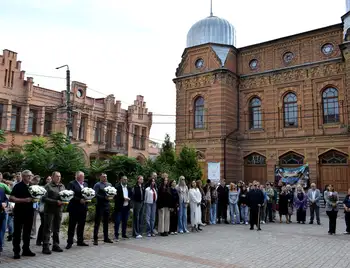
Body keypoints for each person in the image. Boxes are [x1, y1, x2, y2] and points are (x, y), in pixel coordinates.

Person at [9, 170, 35, 259]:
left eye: (31, 176)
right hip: (19, 212)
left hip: (30, 212)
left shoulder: (32, 187)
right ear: (23, 177)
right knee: (17, 233)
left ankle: (26, 250)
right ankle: (16, 251)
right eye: (28, 176)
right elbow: (11, 198)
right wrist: (23, 200)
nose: (30, 177)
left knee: (27, 233)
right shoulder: (18, 186)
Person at [42, 171, 65, 254]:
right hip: (49, 210)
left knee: (57, 228)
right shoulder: (48, 186)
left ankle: (56, 245)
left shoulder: (62, 186)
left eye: (59, 176)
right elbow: (44, 198)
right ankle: (45, 246)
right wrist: (56, 202)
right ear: (52, 177)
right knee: (47, 228)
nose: (58, 178)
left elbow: (65, 196)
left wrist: (66, 200)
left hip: (59, 210)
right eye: (57, 176)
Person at [66, 171, 89, 249]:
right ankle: (69, 242)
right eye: (81, 176)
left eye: (83, 176)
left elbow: (88, 193)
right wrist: (79, 200)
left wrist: (89, 198)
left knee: (81, 225)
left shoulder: (85, 184)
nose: (83, 177)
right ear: (77, 177)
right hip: (74, 208)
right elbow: (70, 195)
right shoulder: (72, 184)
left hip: (83, 208)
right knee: (72, 225)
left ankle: (80, 241)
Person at [93, 173, 113, 245]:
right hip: (100, 205)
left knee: (106, 222)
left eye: (106, 176)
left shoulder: (109, 184)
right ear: (100, 177)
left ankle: (106, 238)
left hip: (107, 205)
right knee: (97, 222)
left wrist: (112, 196)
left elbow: (112, 192)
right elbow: (95, 194)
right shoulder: (97, 185)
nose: (105, 178)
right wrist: (103, 197)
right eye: (104, 177)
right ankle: (95, 239)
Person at [114, 176, 132, 241]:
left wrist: (129, 198)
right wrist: (123, 198)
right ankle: (116, 235)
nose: (125, 181)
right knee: (117, 221)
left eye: (126, 180)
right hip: (119, 207)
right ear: (121, 180)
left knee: (125, 221)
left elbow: (131, 195)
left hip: (126, 207)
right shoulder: (117, 187)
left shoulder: (129, 187)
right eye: (124, 179)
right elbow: (116, 197)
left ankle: (124, 234)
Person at [0, 187, 8, 261]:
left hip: (2, 213)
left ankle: (0, 245)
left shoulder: (1, 189)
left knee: (2, 230)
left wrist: (5, 203)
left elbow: (5, 198)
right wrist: (0, 204)